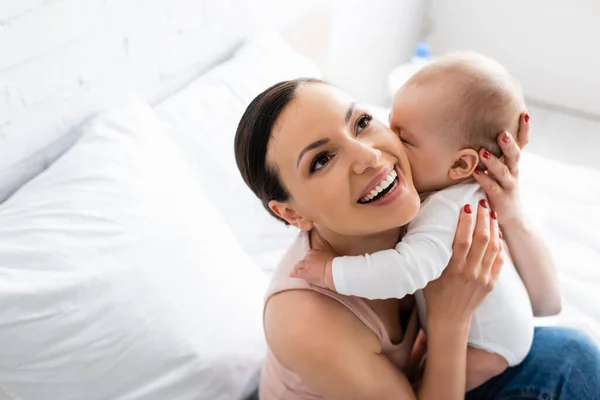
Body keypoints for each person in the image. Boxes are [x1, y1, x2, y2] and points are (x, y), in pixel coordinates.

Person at [234, 78, 600, 399]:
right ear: (292, 214)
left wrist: (509, 208)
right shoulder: (304, 320)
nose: (369, 156)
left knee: (573, 355)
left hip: (430, 376)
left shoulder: (424, 203)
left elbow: (548, 303)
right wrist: (449, 321)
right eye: (322, 159)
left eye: (361, 123)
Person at [288, 52, 550, 389]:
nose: (387, 145)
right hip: (503, 327)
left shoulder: (446, 212)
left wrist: (330, 272)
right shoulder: (454, 189)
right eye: (388, 123)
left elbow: (404, 270)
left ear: (459, 166)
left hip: (490, 344)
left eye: (405, 137)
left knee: (422, 384)